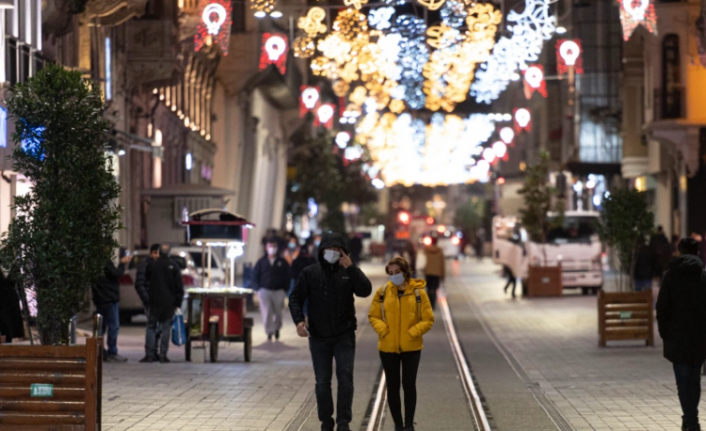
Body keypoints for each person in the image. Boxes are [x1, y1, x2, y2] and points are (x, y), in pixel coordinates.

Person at [289, 233, 372, 431]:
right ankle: (326, 423)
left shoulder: (348, 272)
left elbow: (365, 290)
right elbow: (295, 297)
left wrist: (350, 267)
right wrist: (299, 320)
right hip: (318, 336)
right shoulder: (310, 272)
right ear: (322, 251)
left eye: (337, 250)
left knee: (345, 378)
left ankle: (343, 423)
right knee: (322, 382)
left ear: (344, 252)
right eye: (330, 249)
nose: (333, 253)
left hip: (344, 334)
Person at [368, 257, 434, 431]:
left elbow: (428, 319)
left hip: (411, 346)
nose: (394, 276)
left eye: (397, 272)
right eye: (390, 273)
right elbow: (373, 316)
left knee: (409, 385)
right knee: (392, 386)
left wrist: (413, 332)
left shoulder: (419, 293)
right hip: (387, 347)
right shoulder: (382, 292)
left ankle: (409, 424)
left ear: (405, 272)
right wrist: (383, 330)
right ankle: (398, 424)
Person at [656, 238, 706, 431]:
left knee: (683, 381)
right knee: (694, 379)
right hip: (699, 337)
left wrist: (664, 332)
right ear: (698, 254)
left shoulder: (670, 277)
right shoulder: (702, 277)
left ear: (679, 252)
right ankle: (691, 419)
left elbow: (662, 308)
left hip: (676, 336)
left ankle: (690, 420)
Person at [141, 245, 184, 363]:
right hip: (169, 303)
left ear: (159, 253)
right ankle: (163, 355)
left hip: (154, 301)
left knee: (151, 327)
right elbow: (179, 286)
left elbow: (146, 280)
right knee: (166, 328)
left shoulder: (152, 265)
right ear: (169, 253)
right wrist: (177, 302)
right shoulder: (174, 266)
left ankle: (149, 355)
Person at [92, 252, 131, 363]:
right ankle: (111, 352)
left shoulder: (94, 263)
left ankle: (99, 351)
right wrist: (122, 264)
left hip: (100, 299)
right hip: (109, 298)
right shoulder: (105, 262)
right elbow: (117, 274)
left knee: (101, 327)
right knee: (113, 326)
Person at [253, 239, 290, 341]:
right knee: (267, 312)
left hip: (279, 291)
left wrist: (285, 289)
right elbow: (255, 275)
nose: (272, 248)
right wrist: (258, 289)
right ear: (266, 248)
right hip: (264, 290)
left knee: (278, 312)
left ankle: (277, 328)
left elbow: (287, 275)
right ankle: (269, 332)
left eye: (274, 246)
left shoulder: (282, 262)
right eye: (270, 246)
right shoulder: (261, 262)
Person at [135, 244, 161, 360]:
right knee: (152, 327)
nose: (157, 256)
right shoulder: (145, 266)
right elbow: (139, 284)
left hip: (158, 301)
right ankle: (150, 353)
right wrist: (146, 298)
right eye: (155, 253)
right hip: (150, 302)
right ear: (151, 254)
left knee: (157, 328)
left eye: (158, 253)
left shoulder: (159, 265)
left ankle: (154, 352)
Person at [0, 270, 24, 343]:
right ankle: (10, 337)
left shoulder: (10, 267)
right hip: (3, 297)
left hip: (10, 295)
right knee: (5, 318)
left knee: (12, 315)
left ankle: (16, 335)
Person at [422, 236, 445, 310]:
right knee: (434, 289)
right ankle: (433, 305)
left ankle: (429, 303)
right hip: (436, 273)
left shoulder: (426, 250)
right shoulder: (440, 251)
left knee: (428, 288)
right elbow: (442, 264)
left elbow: (422, 259)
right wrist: (443, 275)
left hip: (428, 272)